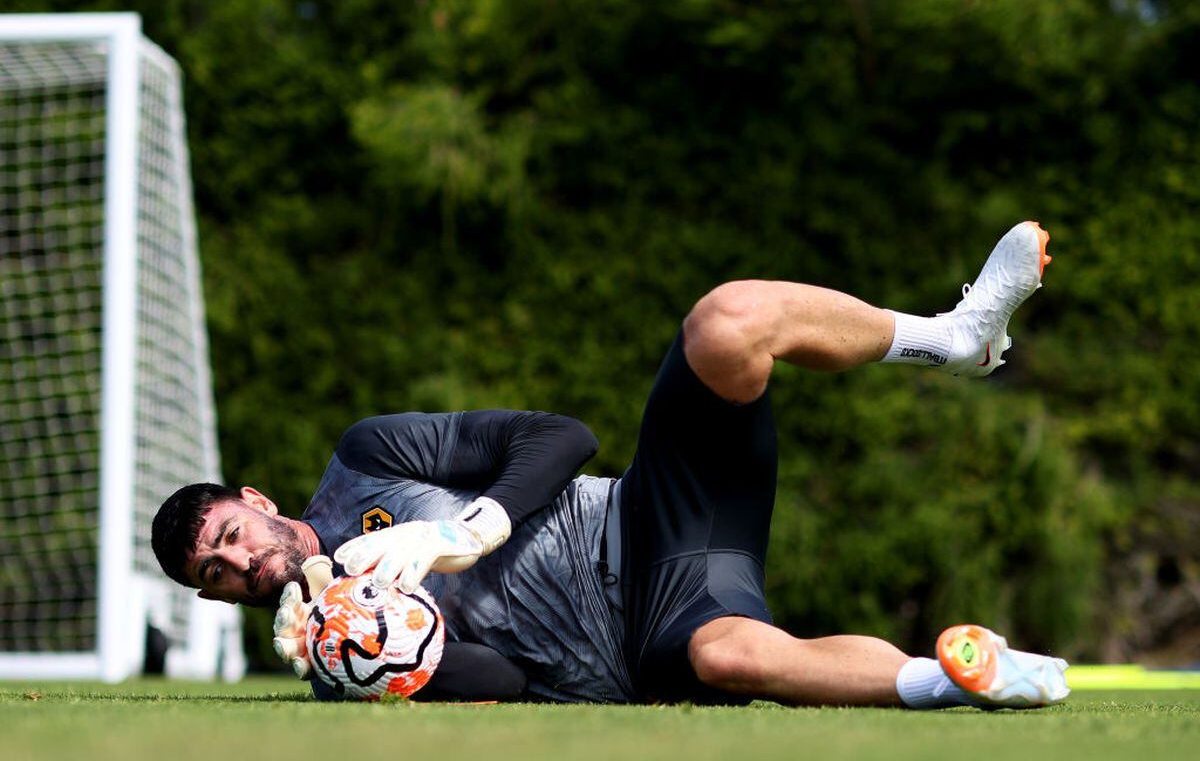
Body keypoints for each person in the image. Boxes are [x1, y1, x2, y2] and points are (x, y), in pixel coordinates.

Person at [152, 221, 1068, 708]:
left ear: (256, 499)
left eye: (230, 536)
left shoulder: (365, 458)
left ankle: (951, 338)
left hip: (648, 511)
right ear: (217, 598)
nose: (241, 563)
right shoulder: (331, 665)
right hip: (644, 643)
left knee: (726, 322)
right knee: (736, 657)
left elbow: (562, 437)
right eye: (217, 573)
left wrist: (463, 531)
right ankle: (964, 680)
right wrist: (386, 644)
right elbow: (506, 684)